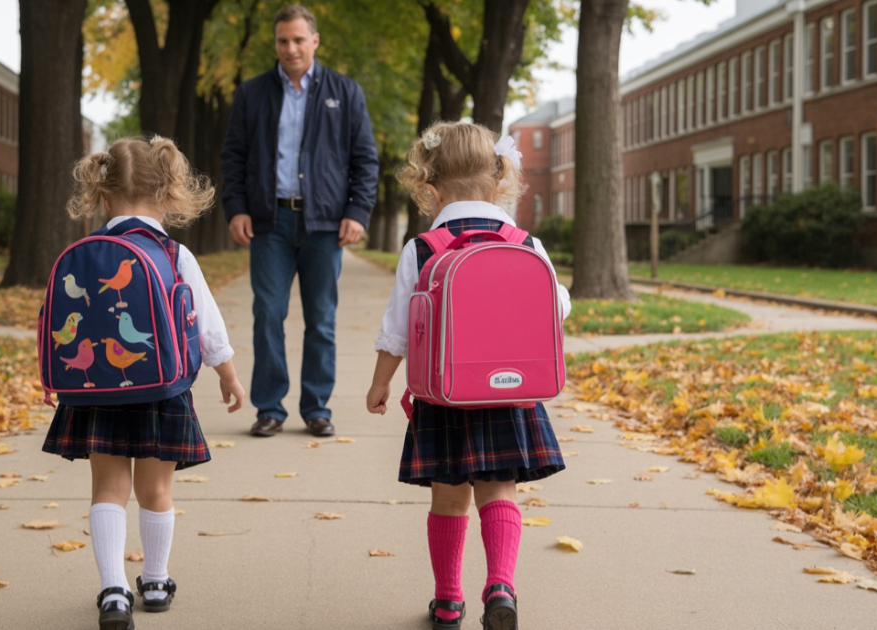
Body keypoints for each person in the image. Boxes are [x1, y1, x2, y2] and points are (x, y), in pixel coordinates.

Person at [365, 121, 572, 630]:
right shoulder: (524, 241)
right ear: (498, 183)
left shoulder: (422, 248)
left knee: (449, 498)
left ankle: (448, 601)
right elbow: (558, 305)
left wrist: (381, 382)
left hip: (445, 396)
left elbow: (397, 328)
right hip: (512, 393)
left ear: (431, 191)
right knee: (500, 491)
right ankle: (501, 585)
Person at [42, 136, 246, 630]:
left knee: (108, 490)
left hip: (96, 393)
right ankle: (154, 581)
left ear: (104, 197)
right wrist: (228, 375)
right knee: (156, 491)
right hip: (161, 390)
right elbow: (206, 324)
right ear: (168, 196)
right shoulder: (174, 254)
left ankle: (113, 591)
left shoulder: (84, 253)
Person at [221, 4, 379, 438]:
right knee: (268, 315)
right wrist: (236, 207)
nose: (289, 48)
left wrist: (357, 212)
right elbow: (233, 157)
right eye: (282, 41)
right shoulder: (251, 94)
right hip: (269, 224)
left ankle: (316, 408)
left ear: (314, 41)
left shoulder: (345, 93)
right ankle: (270, 407)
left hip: (325, 226)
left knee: (321, 319)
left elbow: (365, 159)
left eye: (297, 39)